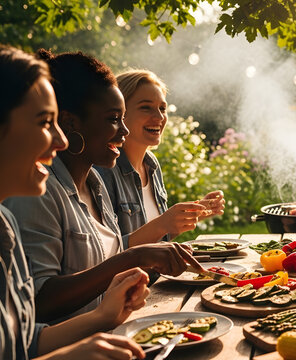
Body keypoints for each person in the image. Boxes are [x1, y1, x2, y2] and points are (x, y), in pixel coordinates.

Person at [4, 50, 205, 323]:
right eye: (113, 118)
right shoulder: (38, 191)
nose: (124, 130)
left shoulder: (94, 182)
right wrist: (134, 257)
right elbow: (37, 305)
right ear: (71, 123)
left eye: (123, 118)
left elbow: (103, 275)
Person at [0, 44, 149, 360]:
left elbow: (23, 340)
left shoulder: (5, 224)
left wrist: (103, 317)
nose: (61, 140)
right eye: (44, 122)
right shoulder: (30, 201)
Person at [96, 70, 225, 249]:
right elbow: (106, 251)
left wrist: (190, 214)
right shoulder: (103, 171)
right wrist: (163, 223)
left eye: (162, 108)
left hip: (157, 275)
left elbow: (158, 238)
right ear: (120, 113)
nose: (159, 117)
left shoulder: (151, 164)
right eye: (146, 107)